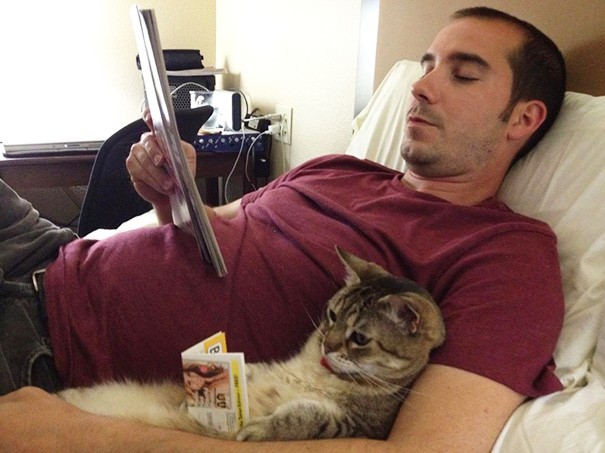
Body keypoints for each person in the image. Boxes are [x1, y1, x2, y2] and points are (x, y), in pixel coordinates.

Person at [0, 6, 567, 452]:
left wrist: (81, 436)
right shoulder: (338, 168)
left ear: (523, 118)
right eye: (426, 67)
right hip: (48, 250)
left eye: (463, 74)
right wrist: (169, 194)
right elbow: (210, 229)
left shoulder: (507, 255)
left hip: (48, 345)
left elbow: (426, 448)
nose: (421, 87)